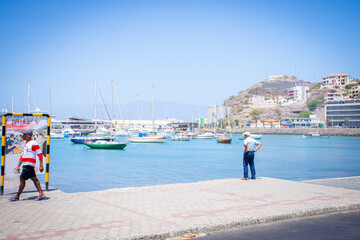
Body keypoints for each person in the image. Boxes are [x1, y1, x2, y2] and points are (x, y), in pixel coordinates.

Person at [9, 130, 46, 201]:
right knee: (34, 179)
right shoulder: (26, 144)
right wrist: (18, 165)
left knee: (22, 179)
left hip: (29, 164)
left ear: (28, 135)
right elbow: (22, 156)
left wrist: (41, 165)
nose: (23, 136)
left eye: (24, 134)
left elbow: (40, 154)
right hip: (25, 164)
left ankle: (17, 196)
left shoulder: (33, 143)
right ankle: (41, 194)